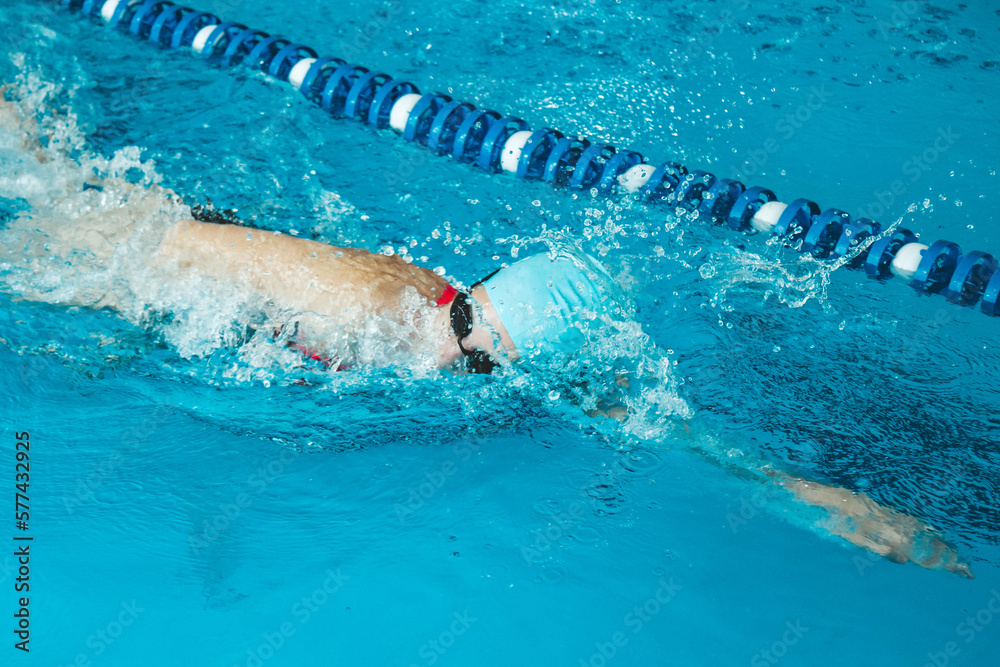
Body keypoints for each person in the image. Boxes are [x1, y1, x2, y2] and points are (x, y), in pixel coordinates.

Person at [0, 94, 972, 578]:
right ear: (477, 340)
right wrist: (93, 280)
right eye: (482, 364)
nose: (482, 376)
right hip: (142, 248)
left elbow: (641, 417)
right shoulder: (363, 312)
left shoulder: (467, 334)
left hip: (198, 258)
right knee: (44, 182)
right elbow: (167, 249)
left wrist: (817, 498)